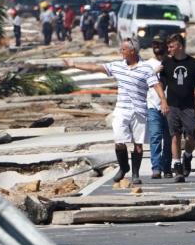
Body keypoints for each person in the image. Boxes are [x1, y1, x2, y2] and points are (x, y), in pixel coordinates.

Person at [64, 38, 168, 185]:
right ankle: (124, 167)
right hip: (122, 110)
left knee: (138, 144)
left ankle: (135, 174)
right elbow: (95, 67)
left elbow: (156, 85)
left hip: (139, 111)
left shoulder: (146, 68)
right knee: (119, 141)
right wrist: (74, 64)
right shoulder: (117, 66)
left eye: (123, 49)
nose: (121, 52)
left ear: (132, 51)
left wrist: (163, 101)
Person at [160, 33, 195, 183]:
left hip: (189, 106)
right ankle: (177, 166)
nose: (169, 49)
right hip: (172, 105)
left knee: (190, 136)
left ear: (179, 45)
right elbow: (160, 85)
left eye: (171, 46)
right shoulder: (166, 63)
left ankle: (187, 156)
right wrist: (163, 102)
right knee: (175, 136)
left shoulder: (194, 63)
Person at [144, 36, 172, 179]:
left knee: (169, 138)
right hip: (153, 106)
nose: (157, 46)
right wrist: (154, 71)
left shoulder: (172, 62)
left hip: (171, 107)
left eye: (160, 44)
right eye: (154, 44)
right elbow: (141, 81)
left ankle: (166, 166)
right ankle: (156, 168)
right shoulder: (148, 64)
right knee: (155, 137)